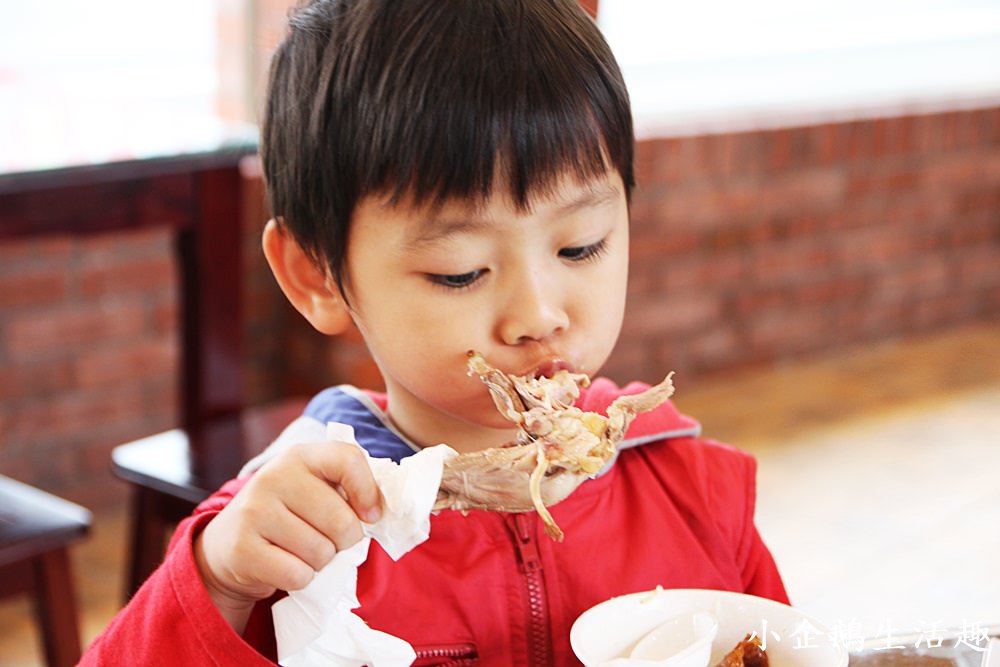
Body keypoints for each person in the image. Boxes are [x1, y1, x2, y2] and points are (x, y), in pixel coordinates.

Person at [81, 0, 788, 664]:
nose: (539, 314)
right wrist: (219, 582)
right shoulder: (292, 531)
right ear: (317, 278)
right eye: (461, 271)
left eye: (581, 246)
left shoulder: (693, 489)